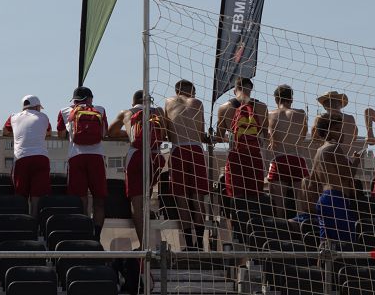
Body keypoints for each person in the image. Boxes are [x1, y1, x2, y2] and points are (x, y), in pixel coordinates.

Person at [109, 90, 166, 243]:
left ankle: (144, 244)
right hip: (156, 156)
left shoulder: (126, 112)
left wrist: (127, 133)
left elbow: (111, 131)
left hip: (137, 155)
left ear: (133, 102)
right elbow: (165, 133)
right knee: (146, 197)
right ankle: (153, 241)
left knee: (137, 202)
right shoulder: (159, 111)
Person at [57, 86, 109, 236]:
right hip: (96, 157)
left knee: (80, 198)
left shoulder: (64, 111)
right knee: (99, 199)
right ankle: (97, 235)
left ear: (74, 100)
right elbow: (104, 133)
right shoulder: (100, 109)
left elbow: (61, 134)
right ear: (90, 98)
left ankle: (84, 232)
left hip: (76, 157)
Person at [164, 79, 209, 250]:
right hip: (195, 150)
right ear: (191, 91)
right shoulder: (197, 103)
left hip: (178, 151)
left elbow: (168, 131)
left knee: (181, 199)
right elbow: (200, 131)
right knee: (197, 199)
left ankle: (189, 244)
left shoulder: (168, 102)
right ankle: (200, 244)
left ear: (177, 91)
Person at [215, 77, 269, 216]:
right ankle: (255, 227)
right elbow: (265, 135)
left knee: (235, 195)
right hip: (254, 157)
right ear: (251, 89)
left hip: (235, 157)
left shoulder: (224, 108)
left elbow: (219, 137)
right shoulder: (262, 107)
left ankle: (237, 230)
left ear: (235, 90)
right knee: (255, 195)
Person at [311, 112, 359, 249]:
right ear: (327, 131)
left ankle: (324, 270)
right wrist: (356, 161)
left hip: (323, 199)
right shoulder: (334, 148)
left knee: (326, 244)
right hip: (336, 199)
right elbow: (349, 174)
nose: (341, 133)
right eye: (337, 129)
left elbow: (312, 181)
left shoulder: (319, 151)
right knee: (345, 243)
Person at [2, 95, 51, 216]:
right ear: (37, 107)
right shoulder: (44, 117)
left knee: (21, 194)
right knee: (37, 195)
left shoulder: (13, 117)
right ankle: (34, 222)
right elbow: (48, 132)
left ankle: (22, 221)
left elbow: (5, 131)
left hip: (21, 158)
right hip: (41, 157)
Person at [266, 84, 309, 219]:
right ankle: (302, 231)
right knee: (301, 203)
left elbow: (269, 137)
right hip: (297, 159)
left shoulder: (270, 115)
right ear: (291, 99)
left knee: (278, 205)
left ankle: (281, 232)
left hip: (280, 159)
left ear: (276, 99)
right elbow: (302, 136)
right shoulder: (301, 114)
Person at [311, 91, 358, 159]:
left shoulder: (320, 118)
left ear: (324, 106)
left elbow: (314, 138)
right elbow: (354, 137)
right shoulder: (350, 119)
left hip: (327, 158)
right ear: (340, 103)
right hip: (346, 158)